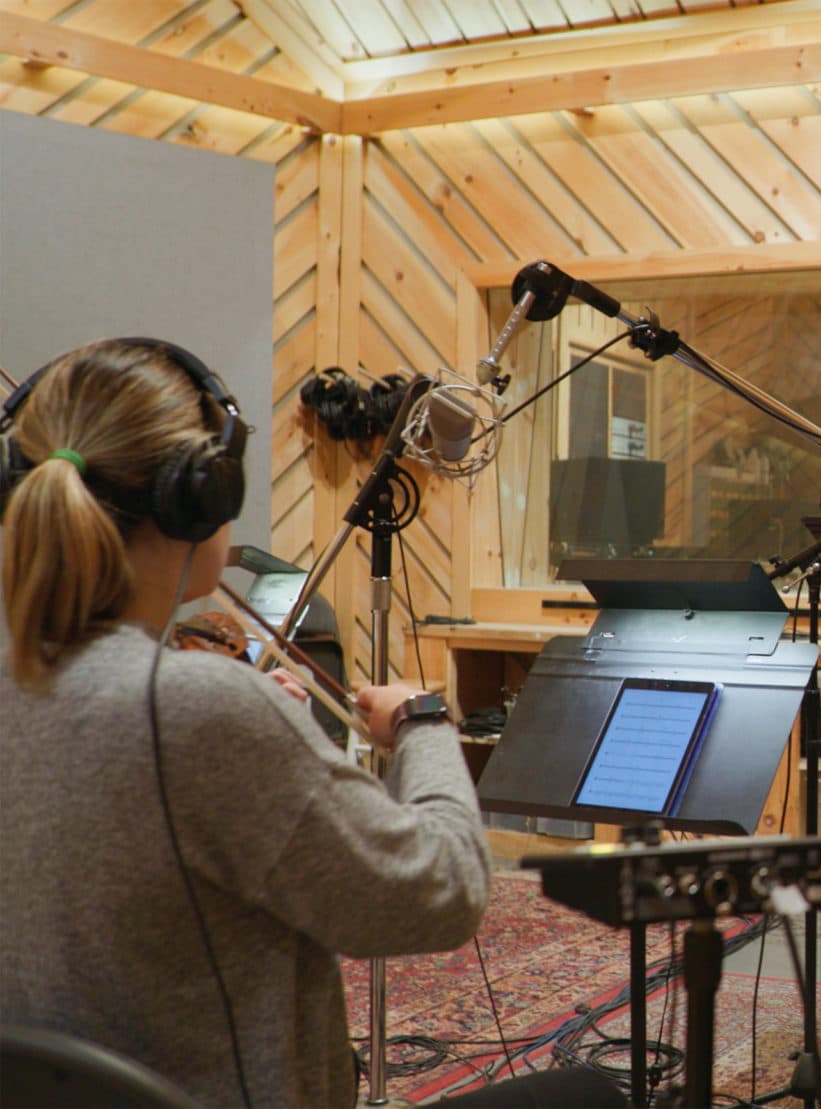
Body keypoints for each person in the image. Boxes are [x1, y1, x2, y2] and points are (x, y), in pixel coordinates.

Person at [0, 339, 622, 1108]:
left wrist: (264, 735)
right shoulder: (199, 709)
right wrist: (424, 724)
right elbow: (443, 889)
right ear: (203, 493)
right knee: (585, 1095)